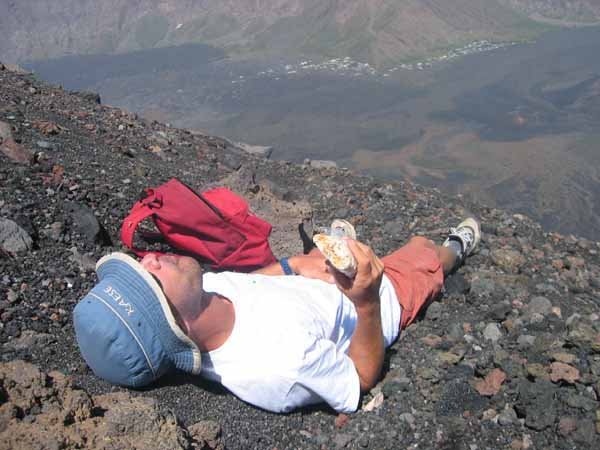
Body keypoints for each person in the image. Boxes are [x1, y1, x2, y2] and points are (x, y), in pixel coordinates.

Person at [73, 218, 480, 413]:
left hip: (314, 286)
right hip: (377, 301)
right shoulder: (279, 367)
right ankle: (456, 248)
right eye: (150, 279)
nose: (149, 257)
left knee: (330, 250)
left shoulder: (202, 295)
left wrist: (296, 265)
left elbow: (251, 283)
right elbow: (359, 378)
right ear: (178, 326)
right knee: (421, 250)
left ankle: (337, 250)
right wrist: (368, 300)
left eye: (139, 265)